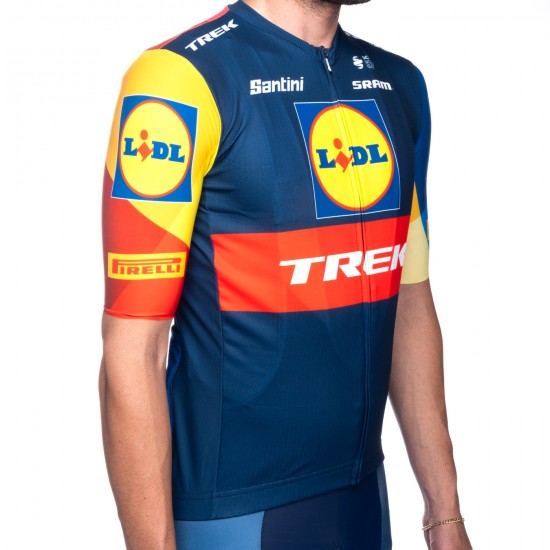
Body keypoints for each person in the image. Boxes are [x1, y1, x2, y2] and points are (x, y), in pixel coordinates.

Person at [99, 1, 473, 549]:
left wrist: (445, 513)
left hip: (363, 502)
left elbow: (409, 301)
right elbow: (133, 349)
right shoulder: (178, 82)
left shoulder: (399, 84)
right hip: (231, 513)